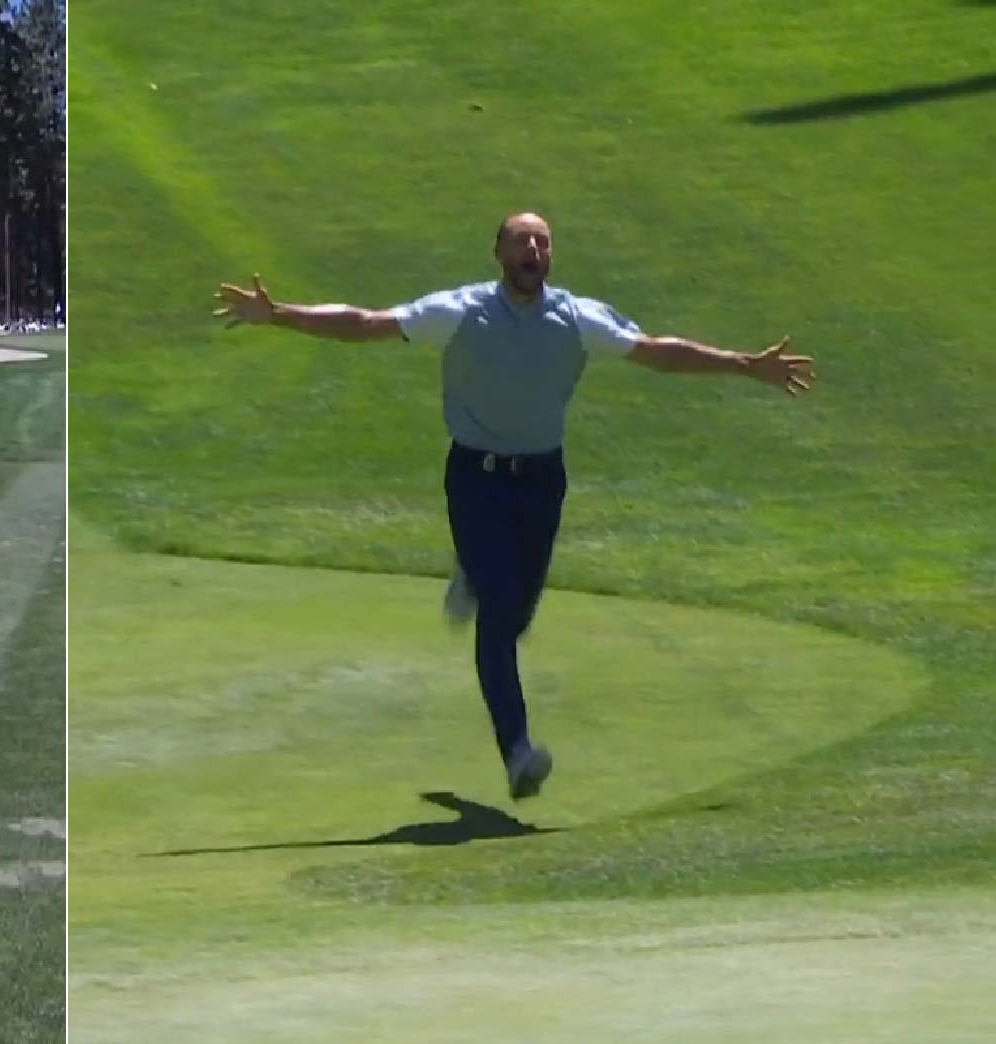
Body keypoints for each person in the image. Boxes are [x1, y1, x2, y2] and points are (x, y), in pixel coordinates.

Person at [212, 212, 814, 801]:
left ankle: (474, 577)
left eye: (543, 243)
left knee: (518, 611)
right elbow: (367, 323)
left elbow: (657, 351)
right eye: (522, 241)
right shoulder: (461, 310)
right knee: (499, 620)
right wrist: (279, 314)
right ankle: (518, 752)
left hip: (542, 482)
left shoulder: (576, 318)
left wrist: (745, 365)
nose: (533, 251)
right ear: (499, 254)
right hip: (476, 478)